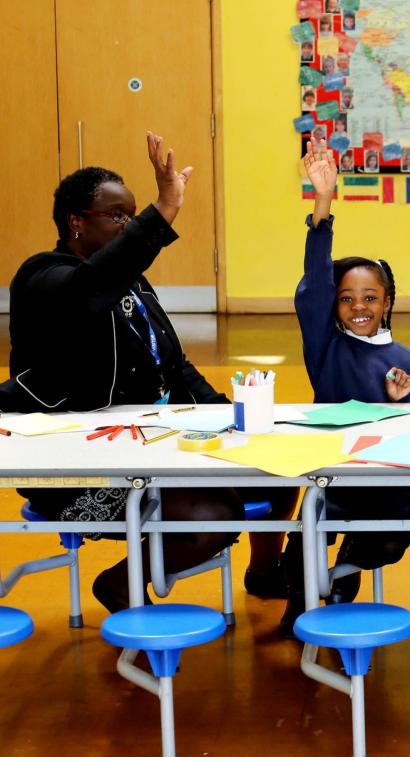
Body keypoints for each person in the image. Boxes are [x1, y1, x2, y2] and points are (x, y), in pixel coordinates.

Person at [1, 132, 261, 612]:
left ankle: (266, 574)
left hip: (149, 443)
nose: (127, 225)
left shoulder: (131, 283)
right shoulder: (44, 278)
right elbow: (89, 288)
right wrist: (161, 212)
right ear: (76, 222)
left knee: (273, 470)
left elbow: (172, 363)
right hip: (74, 469)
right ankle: (120, 583)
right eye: (118, 215)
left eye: (132, 214)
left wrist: (238, 421)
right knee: (213, 512)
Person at [279, 138, 410, 637]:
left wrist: (401, 402)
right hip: (331, 478)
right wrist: (323, 203)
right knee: (306, 534)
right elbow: (316, 279)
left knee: (388, 541)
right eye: (347, 299)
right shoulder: (326, 344)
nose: (359, 307)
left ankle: (344, 576)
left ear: (387, 303)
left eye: (370, 297)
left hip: (387, 487)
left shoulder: (407, 362)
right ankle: (298, 599)